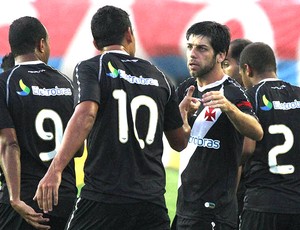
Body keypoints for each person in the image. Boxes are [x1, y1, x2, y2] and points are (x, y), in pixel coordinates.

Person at [34, 5, 195, 230]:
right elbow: (179, 142)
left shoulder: (91, 68)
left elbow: (86, 113)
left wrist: (55, 169)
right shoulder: (159, 77)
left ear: (95, 43)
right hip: (150, 202)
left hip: (103, 197)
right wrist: (184, 116)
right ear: (129, 33)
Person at [171, 21, 263, 230]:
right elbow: (177, 140)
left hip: (215, 210)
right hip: (185, 204)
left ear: (221, 55)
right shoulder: (186, 88)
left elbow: (256, 132)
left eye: (202, 49)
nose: (193, 54)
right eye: (190, 47)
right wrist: (181, 115)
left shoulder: (232, 92)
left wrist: (229, 108)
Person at [0, 16, 79, 230]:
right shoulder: (68, 84)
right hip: (64, 197)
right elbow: (78, 149)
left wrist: (15, 198)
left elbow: (9, 143)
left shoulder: (5, 82)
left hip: (25, 198)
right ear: (41, 44)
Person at [239, 42, 300, 230]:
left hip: (263, 203)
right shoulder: (298, 94)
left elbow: (246, 149)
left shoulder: (249, 97)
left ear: (247, 69)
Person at [222, 38, 253, 224]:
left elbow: (245, 150)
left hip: (243, 192)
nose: (223, 71)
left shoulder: (241, 102)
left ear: (245, 68)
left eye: (227, 64)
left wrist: (228, 198)